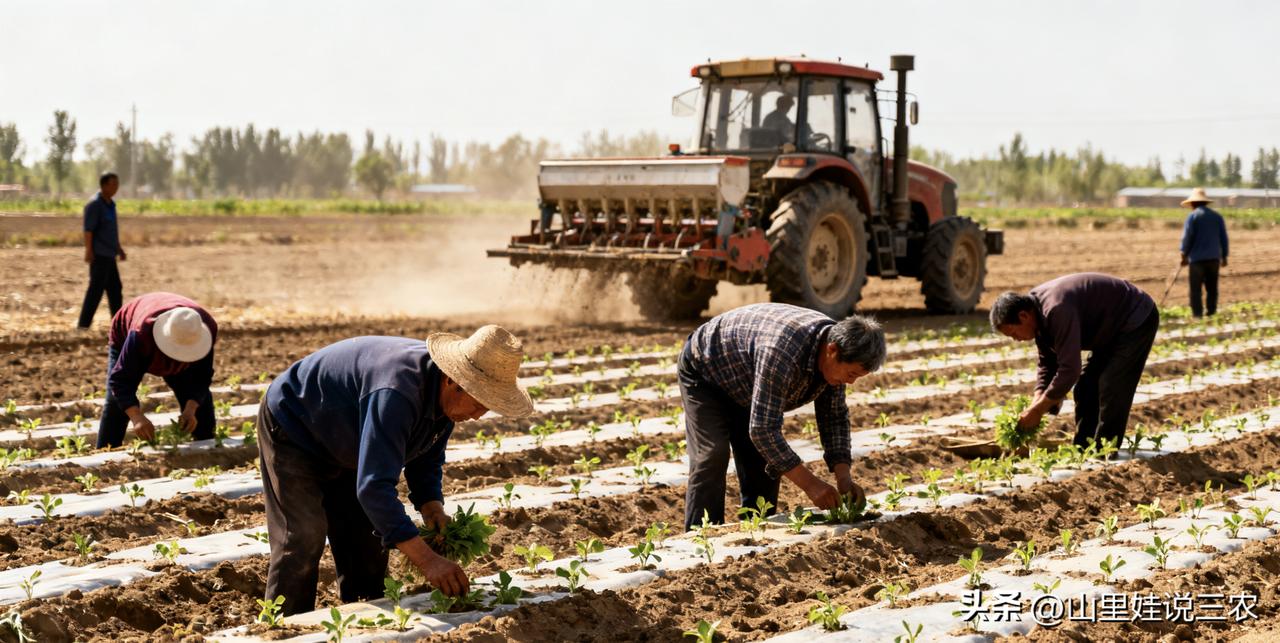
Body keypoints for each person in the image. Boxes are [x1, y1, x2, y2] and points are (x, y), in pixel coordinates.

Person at [258, 326, 533, 616]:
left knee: (365, 539)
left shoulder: (444, 399)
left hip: (346, 434)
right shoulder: (398, 391)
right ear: (453, 380)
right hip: (296, 426)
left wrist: (431, 505)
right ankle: (282, 625)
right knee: (303, 534)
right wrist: (428, 561)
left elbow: (427, 451)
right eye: (477, 403)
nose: (478, 414)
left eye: (486, 408)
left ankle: (362, 615)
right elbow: (374, 487)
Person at [678, 303, 884, 531]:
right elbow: (763, 430)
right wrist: (811, 485)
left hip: (747, 378)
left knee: (763, 459)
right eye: (852, 373)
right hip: (707, 372)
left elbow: (833, 417)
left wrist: (843, 478)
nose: (851, 381)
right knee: (712, 454)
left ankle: (755, 534)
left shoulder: (833, 362)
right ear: (832, 350)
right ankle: (701, 535)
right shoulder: (783, 352)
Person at [989, 273, 1159, 450]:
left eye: (1013, 333)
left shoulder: (1056, 309)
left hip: (1135, 319)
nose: (1016, 339)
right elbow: (1048, 362)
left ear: (1023, 316)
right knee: (1086, 387)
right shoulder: (1036, 314)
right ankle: (1082, 448)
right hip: (1108, 330)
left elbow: (1070, 370)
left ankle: (1105, 451)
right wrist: (1038, 397)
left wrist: (1038, 410)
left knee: (1111, 384)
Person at [99, 292, 218, 448]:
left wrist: (191, 410)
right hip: (128, 330)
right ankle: (107, 450)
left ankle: (206, 446)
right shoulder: (141, 334)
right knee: (116, 403)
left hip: (175, 333)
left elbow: (202, 376)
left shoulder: (205, 330)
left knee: (198, 400)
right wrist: (137, 417)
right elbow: (120, 380)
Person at [78, 172, 126, 330]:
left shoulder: (111, 204)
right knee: (95, 291)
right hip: (99, 255)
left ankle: (118, 326)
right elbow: (88, 230)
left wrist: (119, 248)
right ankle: (83, 326)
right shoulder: (95, 205)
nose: (116, 188)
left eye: (117, 184)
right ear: (104, 185)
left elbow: (111, 230)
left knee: (115, 290)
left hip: (110, 255)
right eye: (113, 184)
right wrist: (88, 250)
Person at [1179, 187, 1229, 317]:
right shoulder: (1217, 217)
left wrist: (1183, 255)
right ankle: (1211, 313)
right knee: (1212, 288)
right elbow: (1223, 238)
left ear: (1193, 203)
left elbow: (1187, 238)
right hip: (1214, 259)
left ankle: (1197, 315)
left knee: (1195, 289)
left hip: (1197, 260)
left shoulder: (1192, 217)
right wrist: (1224, 257)